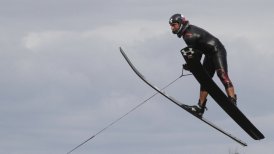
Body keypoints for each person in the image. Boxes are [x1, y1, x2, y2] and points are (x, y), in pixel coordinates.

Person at [169, 13, 237, 116]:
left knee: (221, 74)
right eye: (171, 25)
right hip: (209, 54)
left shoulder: (189, 35)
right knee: (205, 80)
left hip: (217, 50)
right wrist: (191, 65)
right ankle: (200, 107)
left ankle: (232, 100)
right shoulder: (187, 33)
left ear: (180, 23)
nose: (172, 28)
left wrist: (192, 65)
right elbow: (197, 52)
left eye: (174, 25)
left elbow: (196, 54)